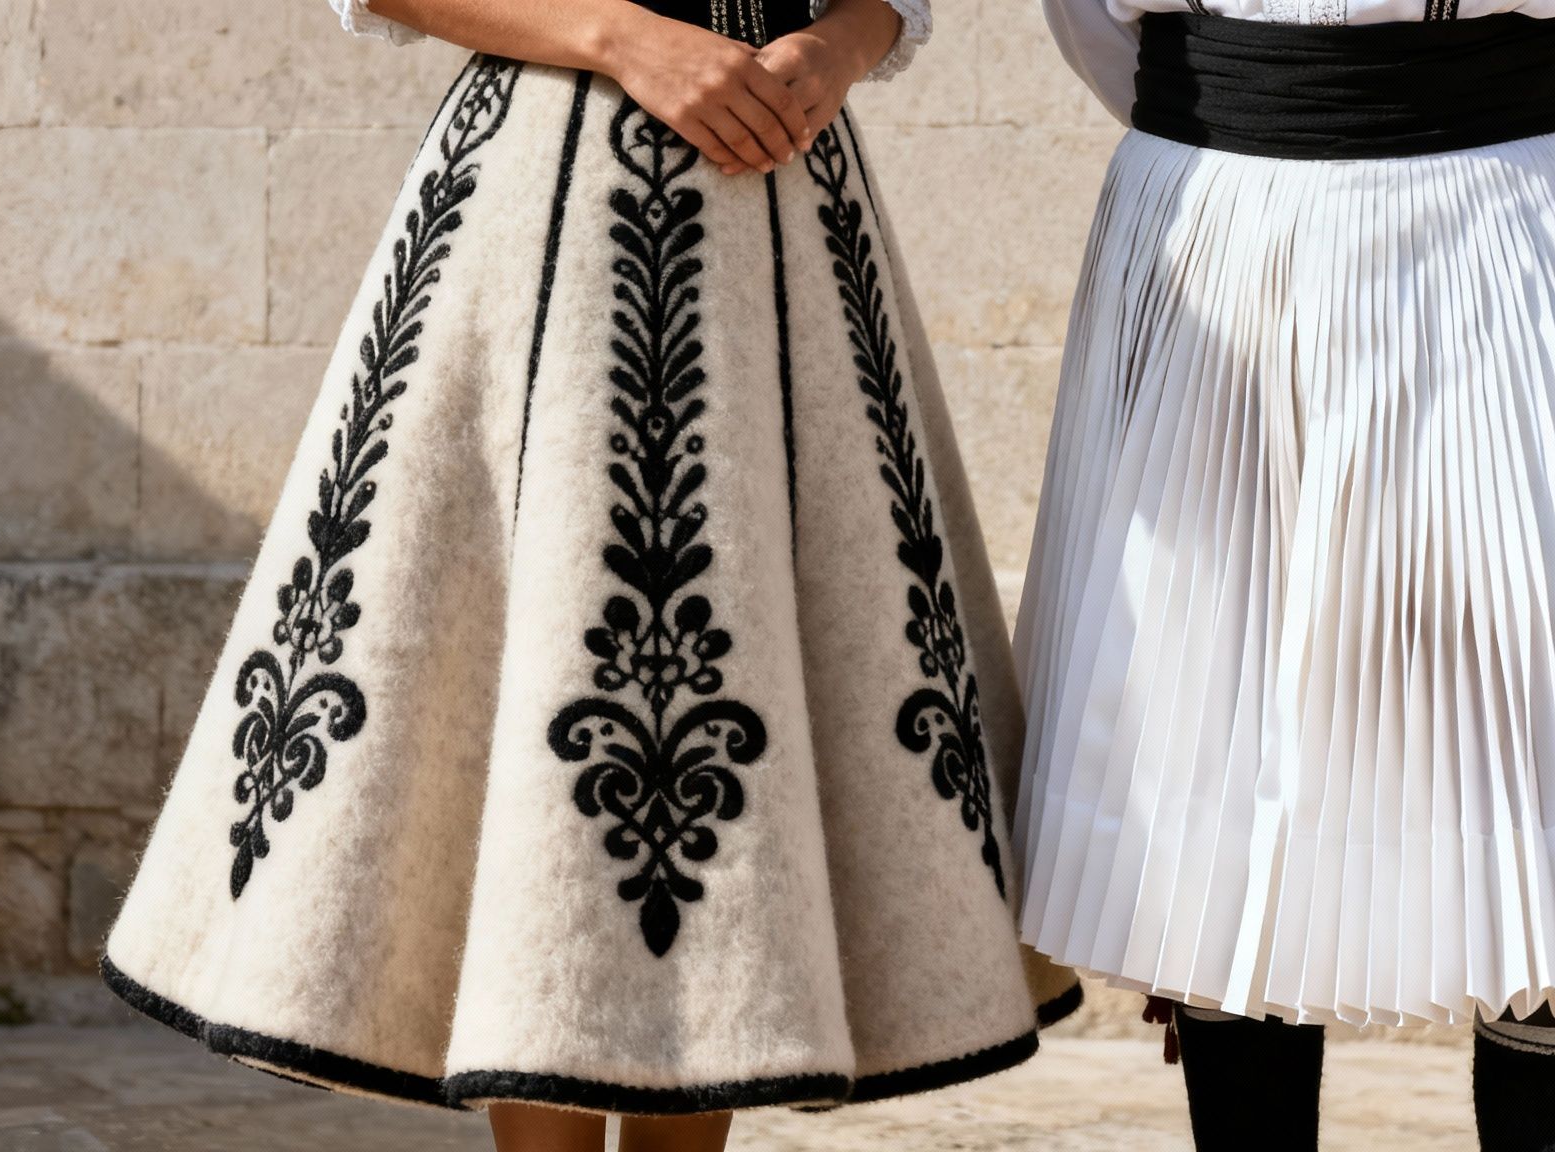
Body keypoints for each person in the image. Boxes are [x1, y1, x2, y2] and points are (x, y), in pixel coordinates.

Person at [100, 2, 1080, 1149]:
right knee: (554, 698)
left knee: (742, 699)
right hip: (548, 221)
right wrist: (618, 35)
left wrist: (837, 47)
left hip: (778, 208)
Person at [1011, 2, 1555, 1150]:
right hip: (1216, 224)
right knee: (1221, 740)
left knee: (1552, 753)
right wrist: (1280, 117)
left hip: (1491, 221)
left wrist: (1437, 120)